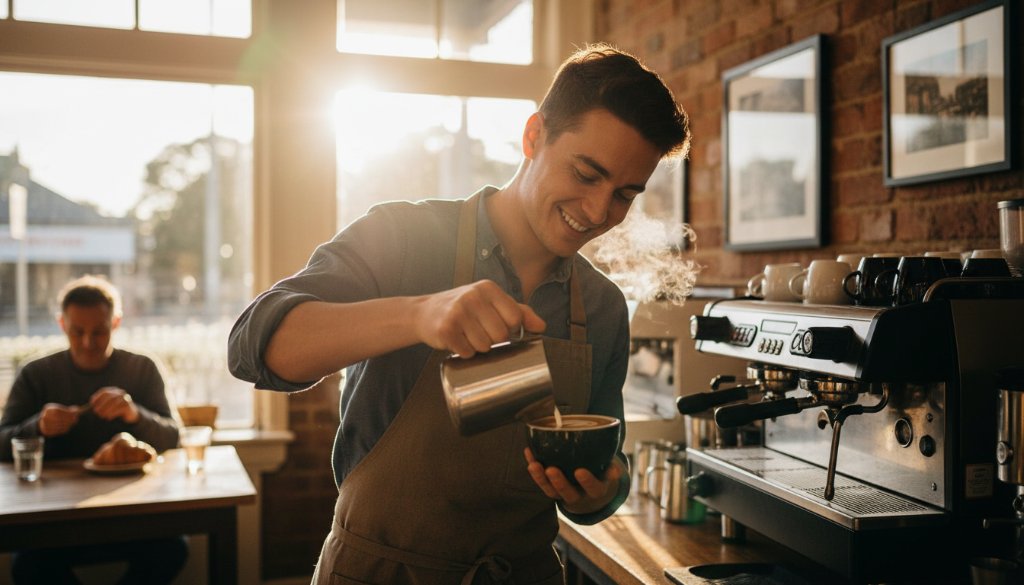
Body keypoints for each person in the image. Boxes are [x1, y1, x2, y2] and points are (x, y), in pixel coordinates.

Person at [229, 43, 690, 585]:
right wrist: (420, 315)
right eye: (586, 174)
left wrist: (602, 490)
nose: (597, 213)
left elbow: (604, 471)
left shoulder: (605, 307)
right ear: (534, 136)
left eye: (623, 195)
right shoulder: (402, 236)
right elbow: (254, 347)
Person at [0, 275, 187, 585]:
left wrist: (133, 413)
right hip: (54, 519)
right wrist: (38, 426)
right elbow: (0, 442)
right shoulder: (36, 374)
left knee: (173, 548)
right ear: (62, 324)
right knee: (28, 565)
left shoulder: (141, 368)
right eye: (78, 331)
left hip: (131, 515)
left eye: (99, 331)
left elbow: (174, 437)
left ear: (115, 323)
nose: (88, 342)